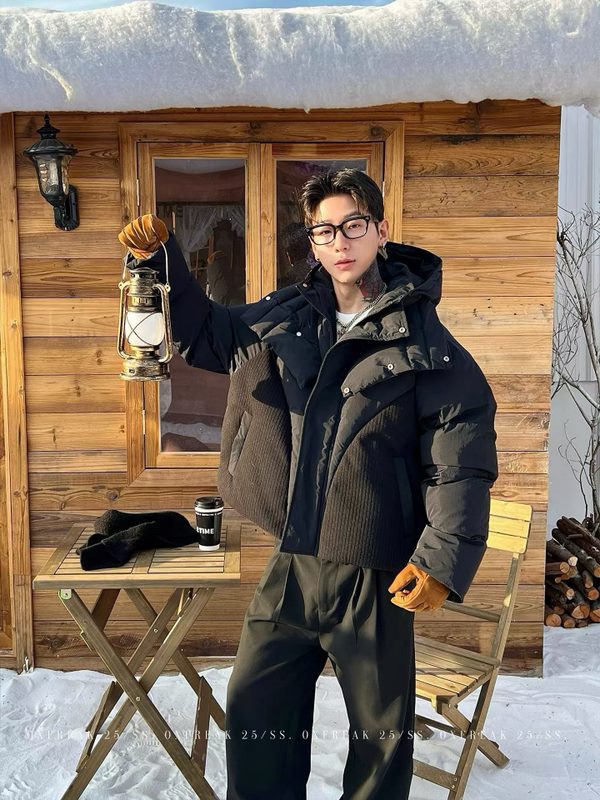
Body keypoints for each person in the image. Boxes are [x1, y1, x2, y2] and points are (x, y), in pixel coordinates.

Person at [118, 168, 498, 800]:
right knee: (255, 710)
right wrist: (159, 262)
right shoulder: (287, 318)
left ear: (380, 230)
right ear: (313, 242)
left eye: (353, 225)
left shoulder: (426, 344)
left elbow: (459, 460)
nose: (339, 241)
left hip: (375, 573)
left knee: (380, 744)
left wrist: (440, 559)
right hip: (293, 562)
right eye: (325, 231)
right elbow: (206, 333)